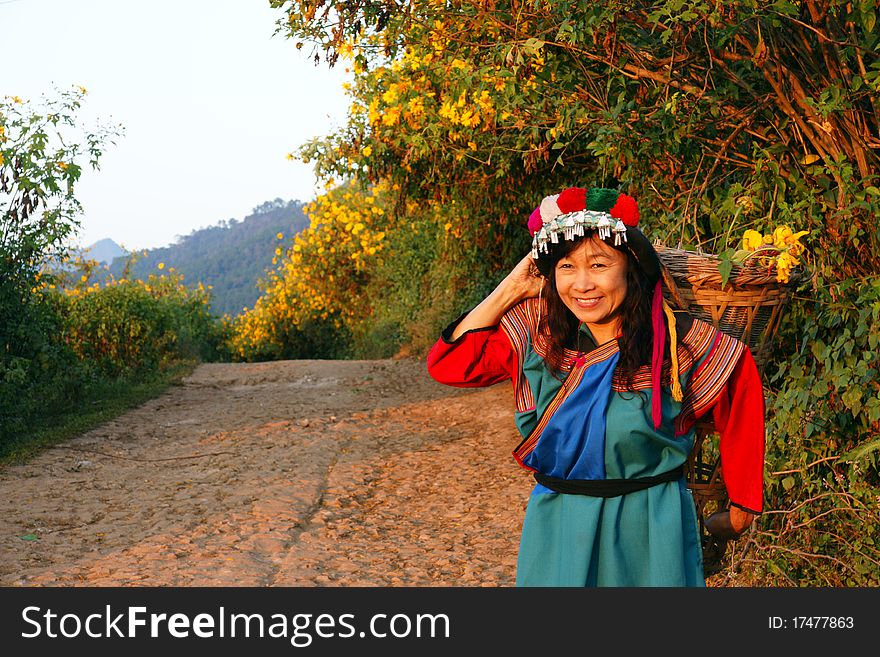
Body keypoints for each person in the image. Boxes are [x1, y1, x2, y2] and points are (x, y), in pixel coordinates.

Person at [426, 187, 765, 586]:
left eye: (599, 264)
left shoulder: (676, 344)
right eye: (566, 267)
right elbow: (448, 365)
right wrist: (514, 287)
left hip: (651, 527)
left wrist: (742, 505)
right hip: (558, 525)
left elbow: (741, 393)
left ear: (631, 266)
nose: (582, 284)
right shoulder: (538, 335)